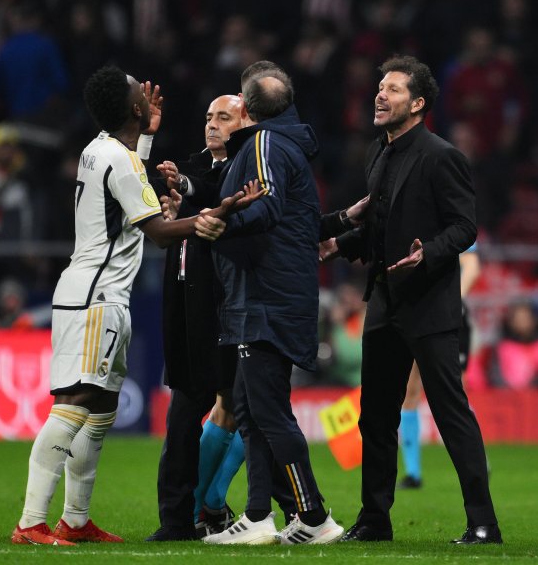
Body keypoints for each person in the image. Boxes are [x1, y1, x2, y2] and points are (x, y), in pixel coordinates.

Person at [11, 65, 261, 546]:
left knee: (101, 408)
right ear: (133, 108)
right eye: (137, 91)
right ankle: (30, 521)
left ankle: (76, 521)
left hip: (101, 294)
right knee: (75, 403)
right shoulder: (119, 159)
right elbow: (159, 233)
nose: (146, 92)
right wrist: (209, 218)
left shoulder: (99, 150)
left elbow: (130, 183)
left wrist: (145, 139)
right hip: (95, 296)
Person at [321, 55, 500, 544]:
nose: (380, 95)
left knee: (450, 411)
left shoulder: (442, 156)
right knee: (376, 416)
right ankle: (375, 519)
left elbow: (465, 227)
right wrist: (343, 243)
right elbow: (379, 231)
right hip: (384, 302)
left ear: (418, 104)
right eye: (380, 87)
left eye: (394, 89)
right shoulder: (376, 154)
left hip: (430, 305)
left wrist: (429, 255)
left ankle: (483, 521)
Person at [199, 68, 344, 545]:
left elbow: (267, 206)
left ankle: (314, 516)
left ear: (247, 105)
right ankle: (259, 514)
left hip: (265, 299)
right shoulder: (287, 146)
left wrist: (225, 221)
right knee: (253, 408)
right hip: (274, 296)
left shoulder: (264, 145)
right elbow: (295, 220)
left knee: (267, 410)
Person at [145, 94, 254, 541]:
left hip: (235, 304)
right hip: (189, 306)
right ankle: (187, 512)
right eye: (208, 117)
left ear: (245, 121)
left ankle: (204, 504)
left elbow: (214, 190)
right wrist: (170, 207)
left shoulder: (247, 168)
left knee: (240, 406)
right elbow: (156, 230)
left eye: (223, 118)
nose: (212, 125)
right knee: (194, 409)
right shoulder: (185, 170)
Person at [398, 245, 480, 489]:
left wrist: (448, 299)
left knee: (454, 390)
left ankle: (476, 460)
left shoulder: (452, 221)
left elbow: (473, 268)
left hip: (449, 317)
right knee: (409, 391)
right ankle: (413, 473)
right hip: (416, 313)